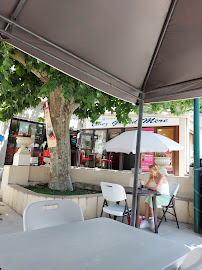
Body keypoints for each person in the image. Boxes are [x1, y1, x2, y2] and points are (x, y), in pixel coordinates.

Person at [140, 164, 171, 230]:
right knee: (147, 199)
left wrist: (149, 187)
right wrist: (142, 183)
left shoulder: (162, 177)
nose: (150, 173)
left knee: (151, 199)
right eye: (149, 171)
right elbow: (146, 186)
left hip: (164, 198)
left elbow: (156, 188)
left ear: (156, 170)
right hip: (157, 196)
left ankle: (153, 220)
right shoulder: (152, 178)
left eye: (151, 171)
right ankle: (146, 221)